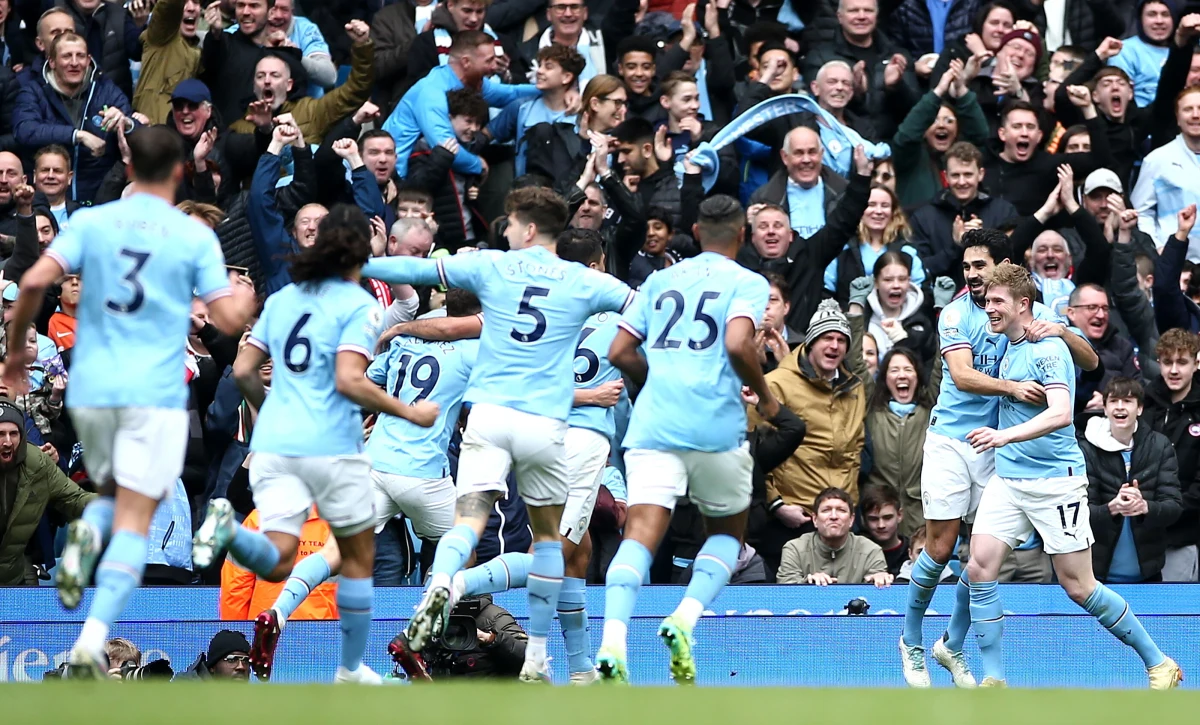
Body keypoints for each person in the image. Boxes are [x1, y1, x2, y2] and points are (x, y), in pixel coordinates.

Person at [0, 125, 256, 677]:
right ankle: (92, 631)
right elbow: (231, 319)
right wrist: (234, 302)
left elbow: (32, 281)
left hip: (91, 389)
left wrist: (17, 355)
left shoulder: (90, 221)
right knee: (138, 517)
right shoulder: (191, 237)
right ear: (181, 170)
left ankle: (87, 537)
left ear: (127, 160)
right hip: (152, 393)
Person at [360, 186, 634, 683]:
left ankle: (572, 664)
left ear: (528, 228)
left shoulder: (495, 269)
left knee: (484, 528)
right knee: (551, 547)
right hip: (558, 431)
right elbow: (650, 311)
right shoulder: (590, 289)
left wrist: (362, 266)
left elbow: (424, 282)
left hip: (490, 417)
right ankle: (477, 601)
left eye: (509, 221)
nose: (504, 229)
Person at [190, 204, 439, 684]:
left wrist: (269, 410)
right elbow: (349, 379)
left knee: (281, 558)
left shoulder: (282, 300)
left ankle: (228, 531)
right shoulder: (358, 305)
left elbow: (243, 369)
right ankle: (349, 668)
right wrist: (408, 411)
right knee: (356, 552)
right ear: (359, 250)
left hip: (276, 446)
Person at [964, 262, 1181, 689]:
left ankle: (1159, 663)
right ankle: (993, 679)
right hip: (1010, 480)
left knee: (1079, 586)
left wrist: (1002, 436)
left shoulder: (1047, 346)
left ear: (1023, 304)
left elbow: (1062, 413)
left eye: (996, 301)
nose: (988, 308)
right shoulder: (1009, 342)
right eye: (986, 301)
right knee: (978, 568)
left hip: (1055, 482)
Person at [898, 230, 1098, 690]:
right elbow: (964, 376)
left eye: (979, 266)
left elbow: (1089, 363)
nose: (970, 275)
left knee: (981, 558)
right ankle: (910, 639)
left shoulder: (1029, 309)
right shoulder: (955, 313)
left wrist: (1063, 331)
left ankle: (951, 645)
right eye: (965, 266)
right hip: (950, 440)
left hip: (998, 445)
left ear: (1002, 269)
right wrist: (1012, 388)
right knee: (942, 547)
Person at [596, 192, 777, 684]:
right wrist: (766, 394)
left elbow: (619, 349)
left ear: (695, 232)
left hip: (655, 422)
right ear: (742, 235)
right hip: (716, 425)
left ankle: (613, 638)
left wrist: (656, 377)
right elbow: (739, 343)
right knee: (724, 535)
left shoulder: (659, 279)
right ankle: (684, 618)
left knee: (639, 535)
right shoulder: (747, 282)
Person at [451, 229, 620, 685]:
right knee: (554, 552)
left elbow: (466, 332)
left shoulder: (534, 314)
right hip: (581, 442)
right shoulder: (616, 313)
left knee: (578, 551)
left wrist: (404, 327)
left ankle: (582, 669)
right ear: (595, 269)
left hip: (538, 435)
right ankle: (459, 584)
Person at [1081, 377, 1183, 584]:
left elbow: (1174, 506)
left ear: (1140, 409)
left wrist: (1145, 507)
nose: (1120, 407)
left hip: (1148, 574)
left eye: (1127, 401)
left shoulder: (1160, 446)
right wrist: (1111, 508)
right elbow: (1078, 513)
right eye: (1114, 401)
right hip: (1096, 575)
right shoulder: (1086, 448)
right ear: (1105, 407)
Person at [0, 396, 93, 586]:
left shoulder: (37, 464)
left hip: (14, 574)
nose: (8, 442)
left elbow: (74, 499)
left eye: (14, 434)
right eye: (0, 434)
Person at [864, 347, 934, 537]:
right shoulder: (871, 408)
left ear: (918, 376)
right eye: (894, 370)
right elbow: (856, 365)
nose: (901, 375)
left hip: (920, 518)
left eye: (908, 369)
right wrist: (855, 316)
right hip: (877, 516)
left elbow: (941, 365)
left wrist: (948, 320)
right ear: (884, 378)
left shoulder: (932, 409)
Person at [824, 184, 926, 308]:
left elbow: (922, 293)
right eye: (871, 205)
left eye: (885, 206)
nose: (878, 211)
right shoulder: (842, 249)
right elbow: (826, 293)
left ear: (893, 212)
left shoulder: (907, 251)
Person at [776, 487, 892, 587]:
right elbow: (785, 592)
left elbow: (876, 601)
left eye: (841, 510)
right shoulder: (795, 548)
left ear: (851, 520)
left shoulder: (871, 551)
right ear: (815, 519)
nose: (833, 516)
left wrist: (879, 581)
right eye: (826, 510)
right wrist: (808, 584)